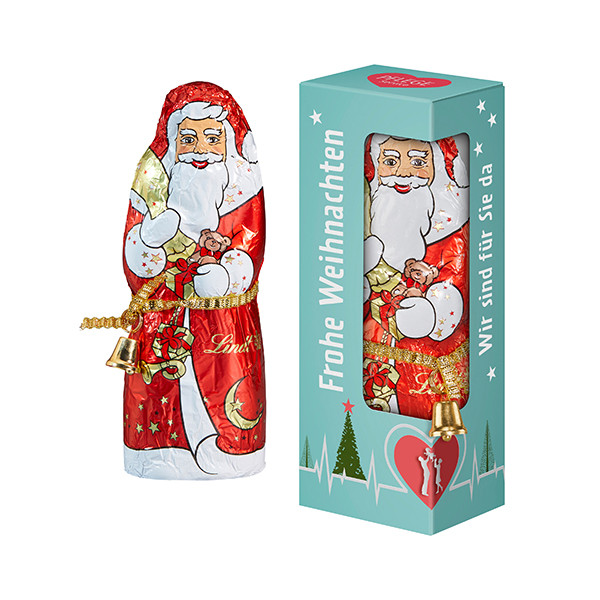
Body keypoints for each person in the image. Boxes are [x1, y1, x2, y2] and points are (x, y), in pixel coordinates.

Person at [121, 82, 266, 479]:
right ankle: (163, 451)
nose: (201, 151)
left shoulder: (242, 188)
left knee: (227, 387)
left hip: (223, 322)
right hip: (163, 314)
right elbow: (133, 253)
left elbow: (250, 242)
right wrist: (149, 243)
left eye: (212, 138)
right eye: (188, 139)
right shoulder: (151, 187)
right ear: (173, 143)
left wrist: (227, 273)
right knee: (162, 390)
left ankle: (230, 448)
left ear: (228, 143)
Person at [363, 134, 469, 419]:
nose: (404, 174)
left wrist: (435, 312)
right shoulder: (374, 230)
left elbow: (457, 278)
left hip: (428, 361)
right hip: (375, 355)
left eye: (419, 163)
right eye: (390, 162)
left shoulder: (447, 233)